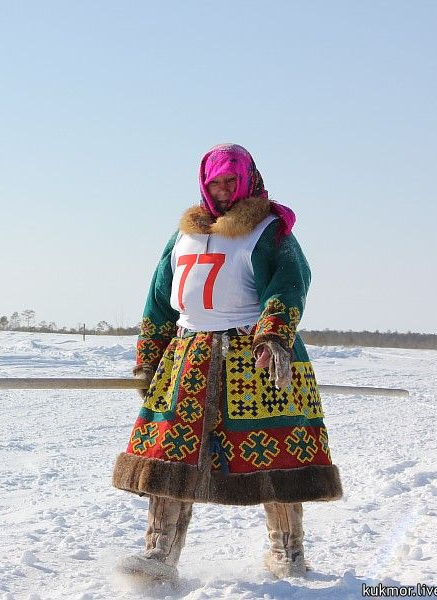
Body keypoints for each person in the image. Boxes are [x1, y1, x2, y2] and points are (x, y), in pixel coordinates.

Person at [111, 143, 343, 583]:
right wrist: (149, 358)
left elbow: (291, 283)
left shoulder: (269, 229)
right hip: (188, 354)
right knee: (170, 454)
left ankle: (287, 553)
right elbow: (160, 299)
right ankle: (159, 556)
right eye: (214, 182)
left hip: (258, 355)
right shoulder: (184, 234)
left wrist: (273, 335)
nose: (221, 190)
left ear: (246, 181)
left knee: (277, 456)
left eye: (229, 181)